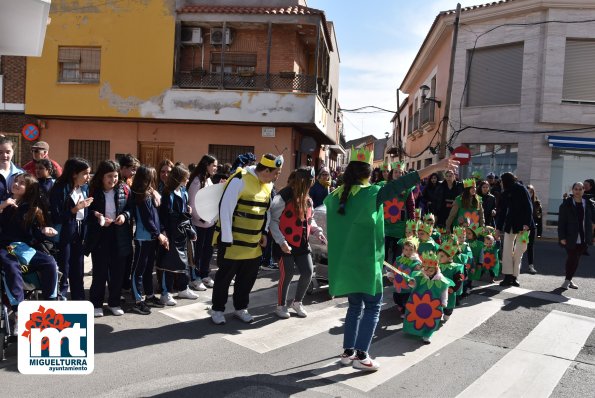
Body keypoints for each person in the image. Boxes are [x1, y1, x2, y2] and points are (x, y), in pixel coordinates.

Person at [325, 146, 457, 371]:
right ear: (369, 173)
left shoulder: (334, 197)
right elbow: (406, 182)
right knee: (372, 308)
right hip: (367, 264)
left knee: (354, 307)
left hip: (346, 265)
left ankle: (348, 353)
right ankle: (362, 356)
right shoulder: (372, 194)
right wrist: (437, 166)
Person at [210, 153, 283, 325]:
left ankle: (240, 308)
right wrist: (226, 239)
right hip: (233, 242)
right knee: (224, 278)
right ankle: (218, 309)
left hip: (253, 243)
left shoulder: (267, 185)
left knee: (247, 279)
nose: (276, 177)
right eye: (276, 173)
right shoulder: (239, 179)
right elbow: (225, 210)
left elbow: (266, 211)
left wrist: (264, 233)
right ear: (266, 170)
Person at [0, 173, 59, 330]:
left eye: (22, 183)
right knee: (10, 266)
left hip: (23, 247)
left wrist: (44, 230)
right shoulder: (4, 202)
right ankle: (19, 312)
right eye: (16, 181)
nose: (17, 184)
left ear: (29, 189)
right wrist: (2, 206)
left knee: (50, 263)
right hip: (3, 246)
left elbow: (32, 235)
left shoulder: (32, 209)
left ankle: (50, 306)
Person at [270, 167, 326, 319]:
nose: (311, 184)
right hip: (284, 244)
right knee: (286, 274)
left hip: (302, 243)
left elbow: (310, 219)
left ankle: (297, 302)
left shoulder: (307, 199)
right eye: (310, 181)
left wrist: (317, 231)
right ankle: (280, 306)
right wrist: (281, 242)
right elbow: (273, 222)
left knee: (307, 272)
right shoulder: (282, 196)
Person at [85, 160, 132, 317]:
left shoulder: (125, 189)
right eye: (109, 176)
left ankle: (114, 302)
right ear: (102, 177)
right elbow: (87, 212)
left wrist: (124, 216)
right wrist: (96, 215)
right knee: (100, 271)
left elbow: (130, 209)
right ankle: (96, 303)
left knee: (118, 272)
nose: (113, 180)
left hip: (119, 233)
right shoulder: (93, 191)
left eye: (116, 176)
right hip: (100, 235)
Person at [49, 158, 93, 300]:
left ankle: (78, 298)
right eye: (85, 173)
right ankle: (61, 296)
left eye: (89, 173)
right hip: (64, 233)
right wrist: (75, 209)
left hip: (80, 232)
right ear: (74, 174)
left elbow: (85, 211)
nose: (88, 177)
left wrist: (94, 213)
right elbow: (56, 216)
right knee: (64, 267)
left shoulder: (84, 188)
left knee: (78, 267)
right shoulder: (60, 188)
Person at [158, 163, 199, 305]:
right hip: (170, 232)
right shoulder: (167, 193)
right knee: (168, 264)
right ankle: (165, 293)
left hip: (182, 232)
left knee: (184, 262)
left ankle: (183, 288)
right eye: (185, 178)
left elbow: (184, 213)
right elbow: (163, 215)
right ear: (179, 178)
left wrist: (190, 228)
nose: (187, 180)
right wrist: (163, 231)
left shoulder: (183, 192)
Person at [130, 166, 168, 313]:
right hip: (143, 237)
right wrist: (158, 234)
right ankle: (137, 300)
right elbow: (147, 220)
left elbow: (156, 217)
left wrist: (160, 231)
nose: (154, 179)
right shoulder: (141, 195)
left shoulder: (150, 194)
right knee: (138, 269)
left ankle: (149, 295)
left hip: (152, 237)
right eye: (151, 177)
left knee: (147, 269)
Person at [400, 251, 453, 344]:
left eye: (431, 271)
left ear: (436, 269)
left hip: (434, 304)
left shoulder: (442, 280)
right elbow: (414, 285)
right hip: (418, 301)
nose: (428, 272)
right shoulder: (419, 276)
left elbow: (444, 291)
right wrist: (411, 283)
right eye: (426, 270)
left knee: (432, 319)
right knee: (416, 317)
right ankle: (413, 330)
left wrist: (444, 301)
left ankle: (427, 335)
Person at [495, 172, 534, 288]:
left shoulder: (521, 189)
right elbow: (501, 212)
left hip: (524, 227)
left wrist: (527, 224)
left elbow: (529, 206)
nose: (500, 184)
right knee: (507, 250)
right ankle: (507, 276)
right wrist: (498, 228)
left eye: (502, 181)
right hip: (510, 225)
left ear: (506, 181)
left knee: (519, 252)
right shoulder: (505, 193)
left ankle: (515, 276)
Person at [187, 154, 218, 291]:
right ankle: (195, 277)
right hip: (199, 223)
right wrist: (200, 217)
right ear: (207, 165)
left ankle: (205, 274)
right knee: (197, 252)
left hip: (210, 222)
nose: (216, 168)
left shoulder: (209, 180)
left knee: (208, 250)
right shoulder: (196, 181)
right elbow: (192, 202)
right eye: (214, 165)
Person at [557, 182, 595, 289]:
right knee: (572, 257)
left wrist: (592, 232)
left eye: (580, 189)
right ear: (572, 190)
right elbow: (561, 222)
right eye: (576, 189)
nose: (578, 191)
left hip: (584, 237)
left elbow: (593, 219)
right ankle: (567, 280)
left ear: (584, 190)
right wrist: (562, 237)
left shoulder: (589, 204)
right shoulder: (566, 204)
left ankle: (569, 279)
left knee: (576, 258)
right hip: (570, 236)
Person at [382, 161, 415, 263]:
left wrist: (411, 223)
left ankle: (394, 272)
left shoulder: (408, 189)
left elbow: (411, 206)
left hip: (400, 224)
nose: (398, 174)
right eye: (396, 172)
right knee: (384, 249)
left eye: (400, 172)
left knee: (398, 251)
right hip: (386, 222)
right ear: (392, 173)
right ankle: (382, 269)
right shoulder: (385, 186)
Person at [386, 239, 420, 319]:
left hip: (408, 288)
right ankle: (402, 307)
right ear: (403, 250)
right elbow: (393, 268)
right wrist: (391, 275)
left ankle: (406, 312)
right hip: (398, 286)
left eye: (411, 250)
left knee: (406, 301)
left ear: (415, 250)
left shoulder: (416, 263)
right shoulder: (398, 259)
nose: (408, 251)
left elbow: (416, 274)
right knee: (397, 299)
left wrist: (413, 280)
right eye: (406, 249)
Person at [437, 236, 464, 322]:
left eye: (442, 256)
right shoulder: (437, 266)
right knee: (437, 302)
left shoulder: (455, 268)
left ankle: (448, 313)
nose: (439, 258)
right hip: (438, 289)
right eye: (438, 256)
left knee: (448, 305)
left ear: (449, 257)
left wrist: (453, 288)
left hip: (449, 290)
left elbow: (459, 280)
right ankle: (437, 314)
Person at [0, 136, 24, 203]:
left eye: (8, 152)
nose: (4, 155)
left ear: (13, 153)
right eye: (0, 152)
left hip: (14, 212)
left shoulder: (21, 173)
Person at [525, 184, 542, 275]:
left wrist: (539, 231)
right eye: (527, 191)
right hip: (522, 229)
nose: (529, 193)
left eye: (531, 192)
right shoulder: (521, 201)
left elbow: (539, 218)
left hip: (532, 228)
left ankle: (531, 265)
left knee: (530, 246)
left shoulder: (537, 203)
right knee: (519, 247)